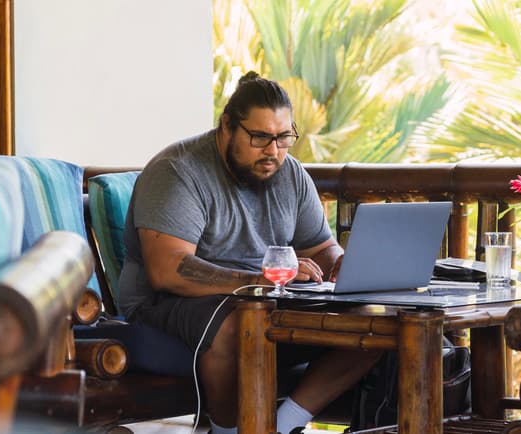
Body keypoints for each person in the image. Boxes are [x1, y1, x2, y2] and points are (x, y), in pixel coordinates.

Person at [118, 71, 381, 434]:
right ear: (226, 126)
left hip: (266, 299)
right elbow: (169, 270)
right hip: (167, 304)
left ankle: (280, 426)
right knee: (236, 323)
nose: (273, 151)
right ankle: (226, 432)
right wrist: (259, 281)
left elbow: (320, 246)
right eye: (259, 137)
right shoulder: (178, 171)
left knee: (377, 319)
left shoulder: (290, 174)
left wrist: (340, 265)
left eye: (284, 137)